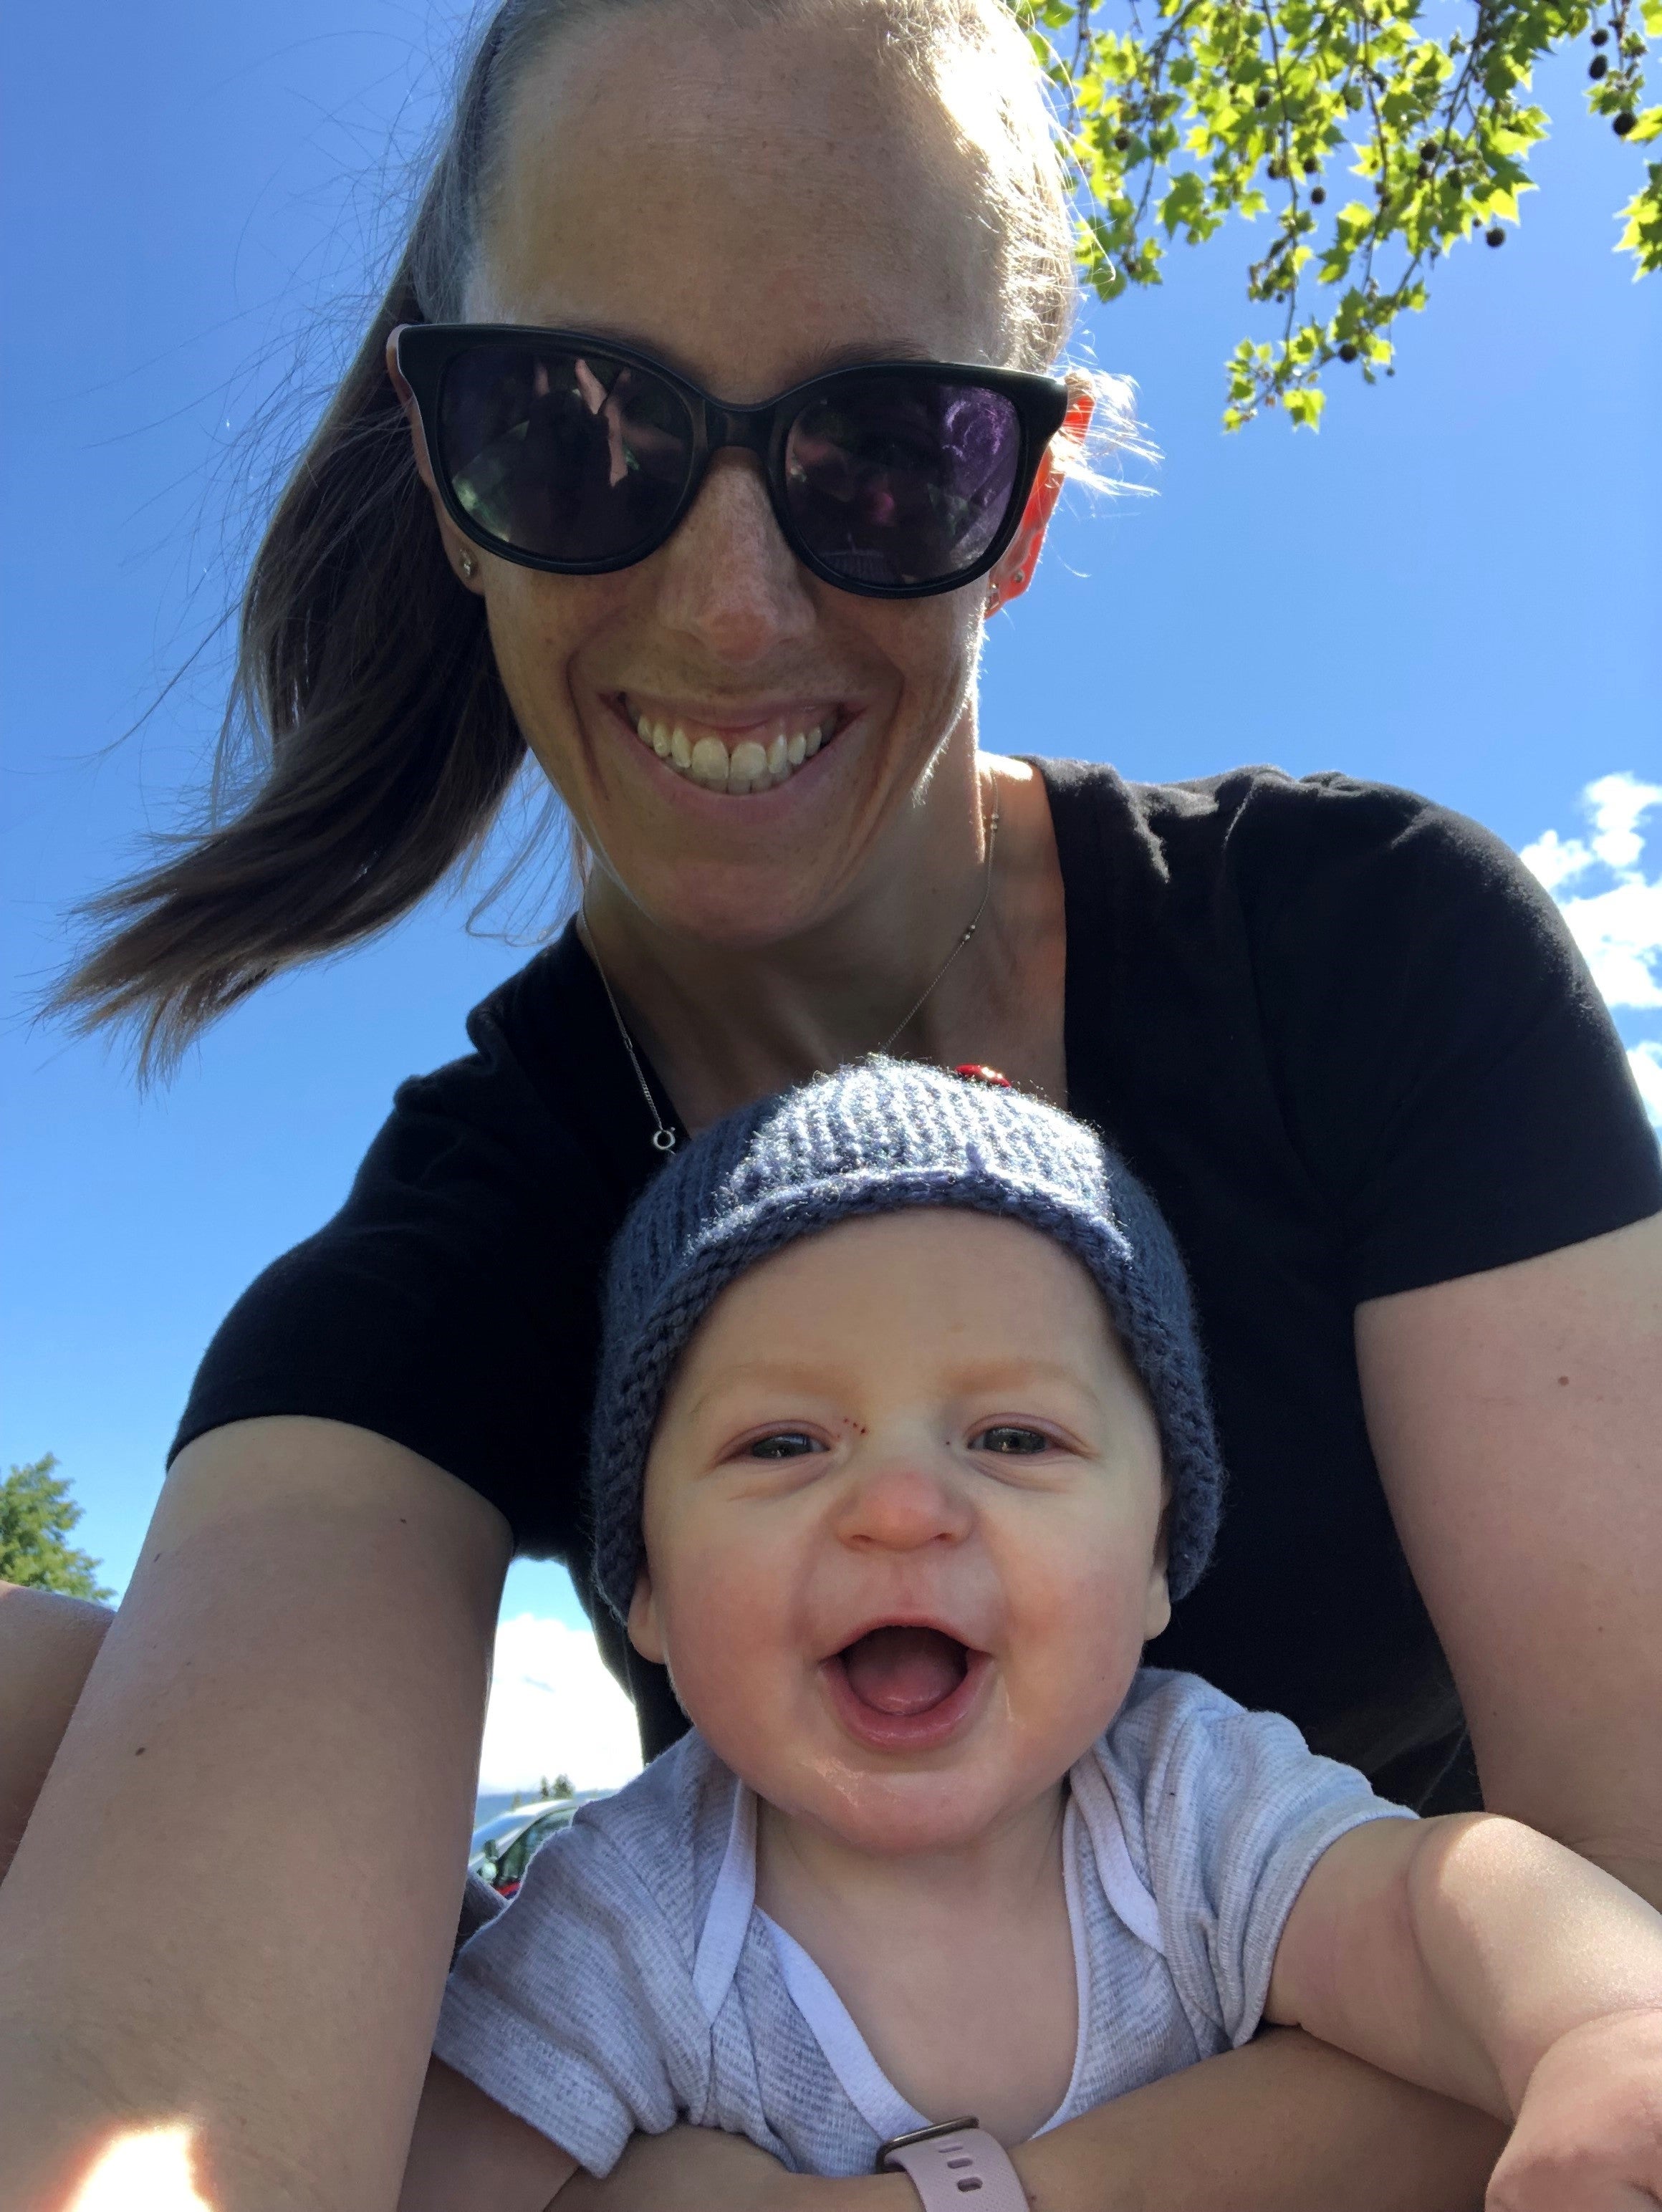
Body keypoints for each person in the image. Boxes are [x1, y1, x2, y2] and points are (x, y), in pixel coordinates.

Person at [1, 0, 1657, 2205]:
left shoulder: (1368, 954)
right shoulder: (465, 1245)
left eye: (887, 451)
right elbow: (161, 2112)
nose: (731, 603)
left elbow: (1625, 1924)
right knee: (57, 1695)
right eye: (577, 430)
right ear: (448, 469)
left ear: (1027, 501)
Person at [399, 1059, 1662, 2212]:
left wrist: (1602, 2025)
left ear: (1159, 1560)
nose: (901, 1509)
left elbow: (1427, 1912)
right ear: (651, 1596)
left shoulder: (1187, 1804)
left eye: (1015, 1438)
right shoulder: (624, 1921)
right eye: (782, 1444)